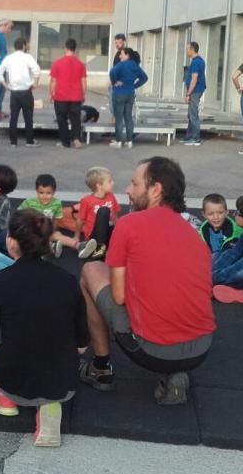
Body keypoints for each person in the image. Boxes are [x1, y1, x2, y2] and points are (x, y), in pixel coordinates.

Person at [79, 157, 215, 405]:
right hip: (201, 349)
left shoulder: (129, 223)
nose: (128, 191)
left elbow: (119, 297)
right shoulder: (194, 233)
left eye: (134, 184)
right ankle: (175, 374)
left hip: (150, 351)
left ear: (155, 190)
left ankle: (102, 368)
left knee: (91, 269)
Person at [0, 210, 89, 447]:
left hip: (14, 379)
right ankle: (48, 405)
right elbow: (81, 346)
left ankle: (4, 397)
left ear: (11, 241)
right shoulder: (68, 280)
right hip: (63, 383)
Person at [17, 174, 96, 258]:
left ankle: (79, 246)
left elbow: (56, 219)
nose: (44, 196)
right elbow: (18, 215)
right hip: (32, 231)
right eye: (41, 193)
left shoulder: (56, 203)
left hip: (46, 231)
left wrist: (52, 230)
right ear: (36, 191)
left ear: (54, 192)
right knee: (35, 240)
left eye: (48, 193)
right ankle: (50, 248)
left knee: (57, 235)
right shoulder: (29, 202)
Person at [0, 37, 41, 148]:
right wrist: (35, 82)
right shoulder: (27, 57)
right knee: (28, 117)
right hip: (26, 91)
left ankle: (13, 142)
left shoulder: (9, 58)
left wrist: (5, 84)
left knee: (14, 117)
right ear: (24, 46)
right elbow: (37, 70)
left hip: (14, 92)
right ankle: (29, 141)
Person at [49, 38, 87, 149]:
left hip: (61, 96)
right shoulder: (80, 64)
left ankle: (65, 142)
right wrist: (83, 94)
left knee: (62, 119)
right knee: (76, 119)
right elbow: (83, 81)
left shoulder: (57, 63)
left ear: (65, 48)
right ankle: (76, 139)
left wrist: (52, 93)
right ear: (75, 49)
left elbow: (53, 81)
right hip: (76, 96)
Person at [75, 167, 119, 260]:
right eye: (110, 181)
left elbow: (115, 216)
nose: (113, 183)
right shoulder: (87, 200)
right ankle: (99, 249)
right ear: (99, 185)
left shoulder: (111, 196)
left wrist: (118, 232)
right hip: (94, 236)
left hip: (108, 232)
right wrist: (77, 236)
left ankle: (105, 249)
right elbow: (80, 220)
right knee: (104, 211)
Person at [109, 46, 149, 148]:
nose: (120, 55)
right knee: (128, 117)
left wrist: (114, 82)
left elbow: (112, 72)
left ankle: (119, 141)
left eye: (121, 53)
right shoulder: (135, 66)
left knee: (119, 118)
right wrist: (134, 85)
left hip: (119, 93)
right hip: (130, 94)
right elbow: (144, 78)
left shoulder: (121, 65)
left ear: (127, 55)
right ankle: (129, 141)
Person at [181, 42, 206, 146]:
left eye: (187, 49)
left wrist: (188, 93)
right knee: (190, 114)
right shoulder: (199, 60)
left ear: (192, 50)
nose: (186, 51)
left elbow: (194, 79)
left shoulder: (196, 62)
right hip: (196, 90)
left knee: (193, 114)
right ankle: (189, 136)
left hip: (195, 90)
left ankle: (195, 138)